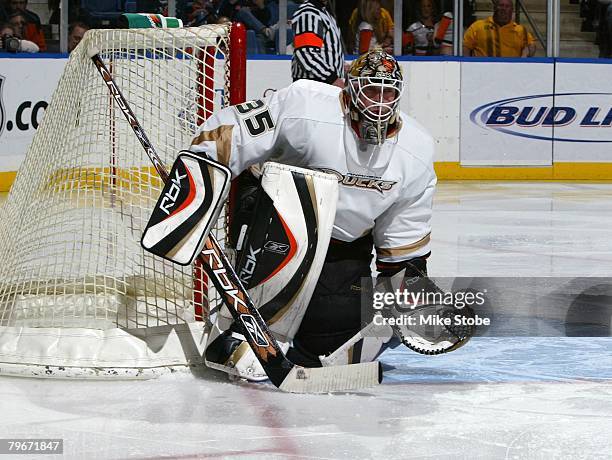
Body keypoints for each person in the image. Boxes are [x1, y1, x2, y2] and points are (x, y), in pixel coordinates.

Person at [188, 49, 454, 380]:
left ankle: (304, 335)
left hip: (342, 241)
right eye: (372, 89)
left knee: (333, 333)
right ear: (351, 89)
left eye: (389, 92)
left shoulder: (415, 149)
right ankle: (237, 329)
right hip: (272, 217)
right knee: (282, 260)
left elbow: (403, 235)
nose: (380, 101)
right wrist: (193, 186)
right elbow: (233, 133)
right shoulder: (306, 104)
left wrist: (407, 289)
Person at [291, 0, 344, 87]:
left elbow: (327, 51)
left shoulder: (323, 12)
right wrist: (332, 78)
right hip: (313, 87)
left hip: (321, 84)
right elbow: (306, 54)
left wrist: (340, 66)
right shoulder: (309, 13)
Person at [463, 0, 535, 57]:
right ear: (494, 8)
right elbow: (466, 46)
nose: (503, 9)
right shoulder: (478, 26)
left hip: (512, 71)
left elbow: (531, 46)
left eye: (507, 6)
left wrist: (525, 55)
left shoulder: (520, 30)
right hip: (483, 70)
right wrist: (468, 64)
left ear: (512, 11)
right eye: (501, 5)